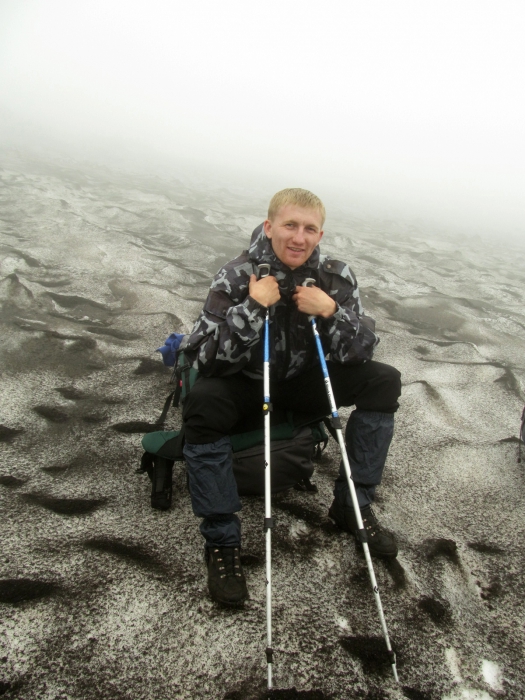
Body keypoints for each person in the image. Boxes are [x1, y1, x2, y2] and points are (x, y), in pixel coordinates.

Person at [179, 188, 401, 605]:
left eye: (309, 229)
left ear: (320, 234)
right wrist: (252, 307)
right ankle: (222, 541)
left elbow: (360, 352)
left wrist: (331, 310)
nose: (299, 237)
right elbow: (203, 359)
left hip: (303, 382)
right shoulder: (235, 275)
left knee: (384, 381)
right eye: (290, 225)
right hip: (246, 383)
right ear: (269, 227)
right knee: (202, 404)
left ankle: (353, 505)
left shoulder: (336, 277)